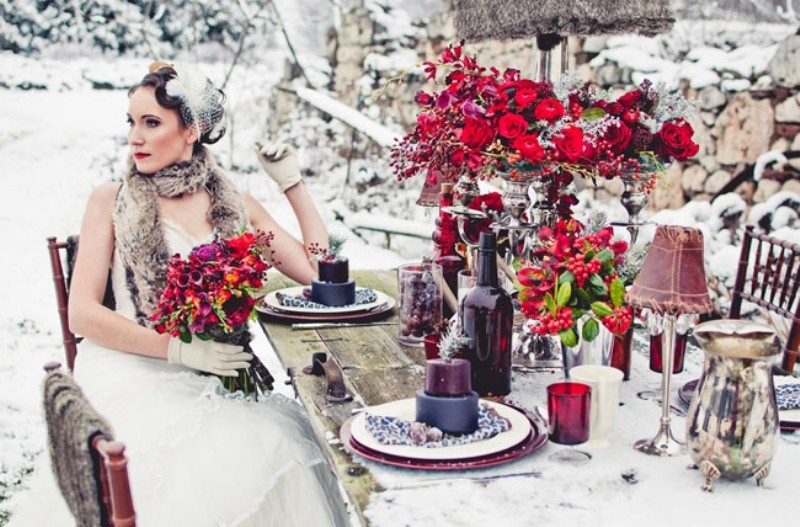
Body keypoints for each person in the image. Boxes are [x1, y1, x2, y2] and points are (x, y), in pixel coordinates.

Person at [8, 63, 349, 526]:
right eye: (131, 122)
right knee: (225, 458)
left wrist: (292, 185)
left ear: (191, 130)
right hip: (133, 367)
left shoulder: (233, 202)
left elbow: (319, 276)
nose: (135, 137)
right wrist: (176, 350)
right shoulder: (111, 199)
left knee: (281, 442)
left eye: (151, 123)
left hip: (221, 370)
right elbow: (82, 314)